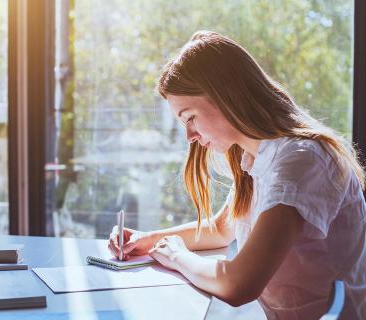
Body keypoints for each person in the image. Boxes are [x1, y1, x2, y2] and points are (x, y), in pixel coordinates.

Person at [108, 31, 366, 319]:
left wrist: (177, 256)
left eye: (190, 117)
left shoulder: (300, 161)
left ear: (226, 96)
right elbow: (220, 230)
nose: (190, 136)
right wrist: (147, 239)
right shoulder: (257, 158)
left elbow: (238, 284)